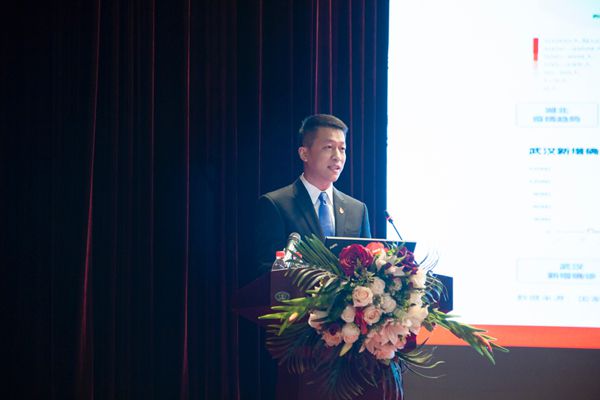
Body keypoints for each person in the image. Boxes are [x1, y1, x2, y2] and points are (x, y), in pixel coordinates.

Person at [255, 113, 372, 270]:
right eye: (328, 147)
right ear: (304, 153)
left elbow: (368, 269)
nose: (337, 156)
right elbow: (268, 271)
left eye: (342, 148)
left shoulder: (357, 210)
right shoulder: (276, 205)